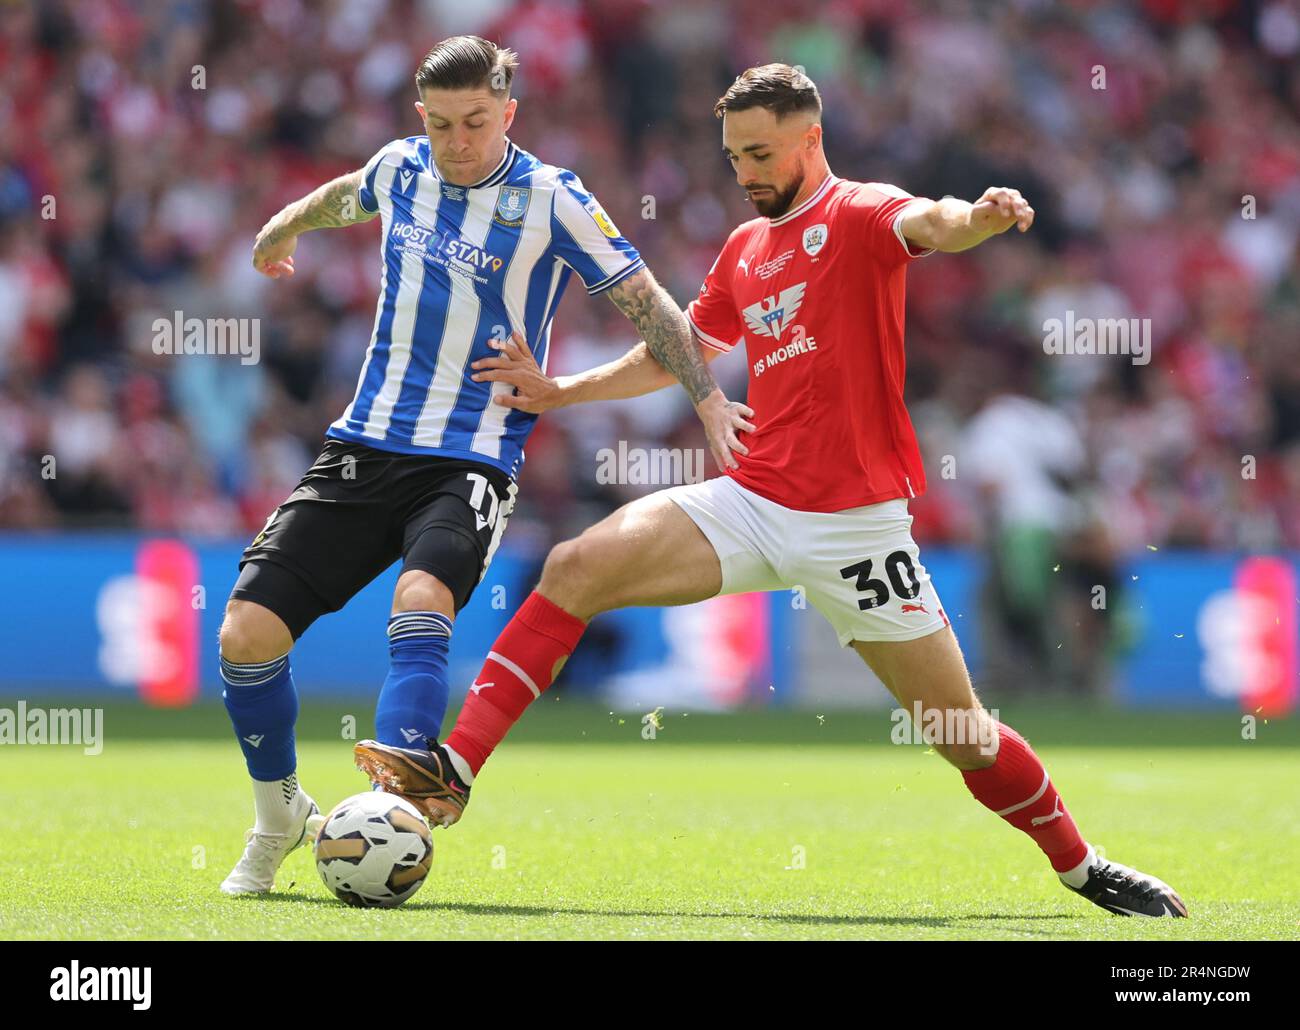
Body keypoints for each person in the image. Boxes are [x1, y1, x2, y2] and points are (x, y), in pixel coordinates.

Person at [355, 64, 1187, 917]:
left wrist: (975, 217)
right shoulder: (744, 249)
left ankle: (1084, 866)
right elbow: (675, 350)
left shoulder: (858, 213)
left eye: (760, 153)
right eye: (733, 156)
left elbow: (929, 221)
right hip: (750, 501)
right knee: (574, 567)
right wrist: (562, 391)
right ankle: (453, 772)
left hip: (857, 530)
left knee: (959, 733)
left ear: (809, 140)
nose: (746, 172)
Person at [217, 36, 750, 895]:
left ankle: (397, 787)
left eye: (474, 122)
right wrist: (280, 226)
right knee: (245, 634)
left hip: (471, 452)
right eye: (439, 124)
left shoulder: (552, 199)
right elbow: (346, 196)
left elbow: (649, 305)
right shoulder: (402, 168)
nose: (456, 141)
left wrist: (707, 399)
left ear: (508, 113)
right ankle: (279, 812)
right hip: (363, 443)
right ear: (419, 118)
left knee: (421, 592)